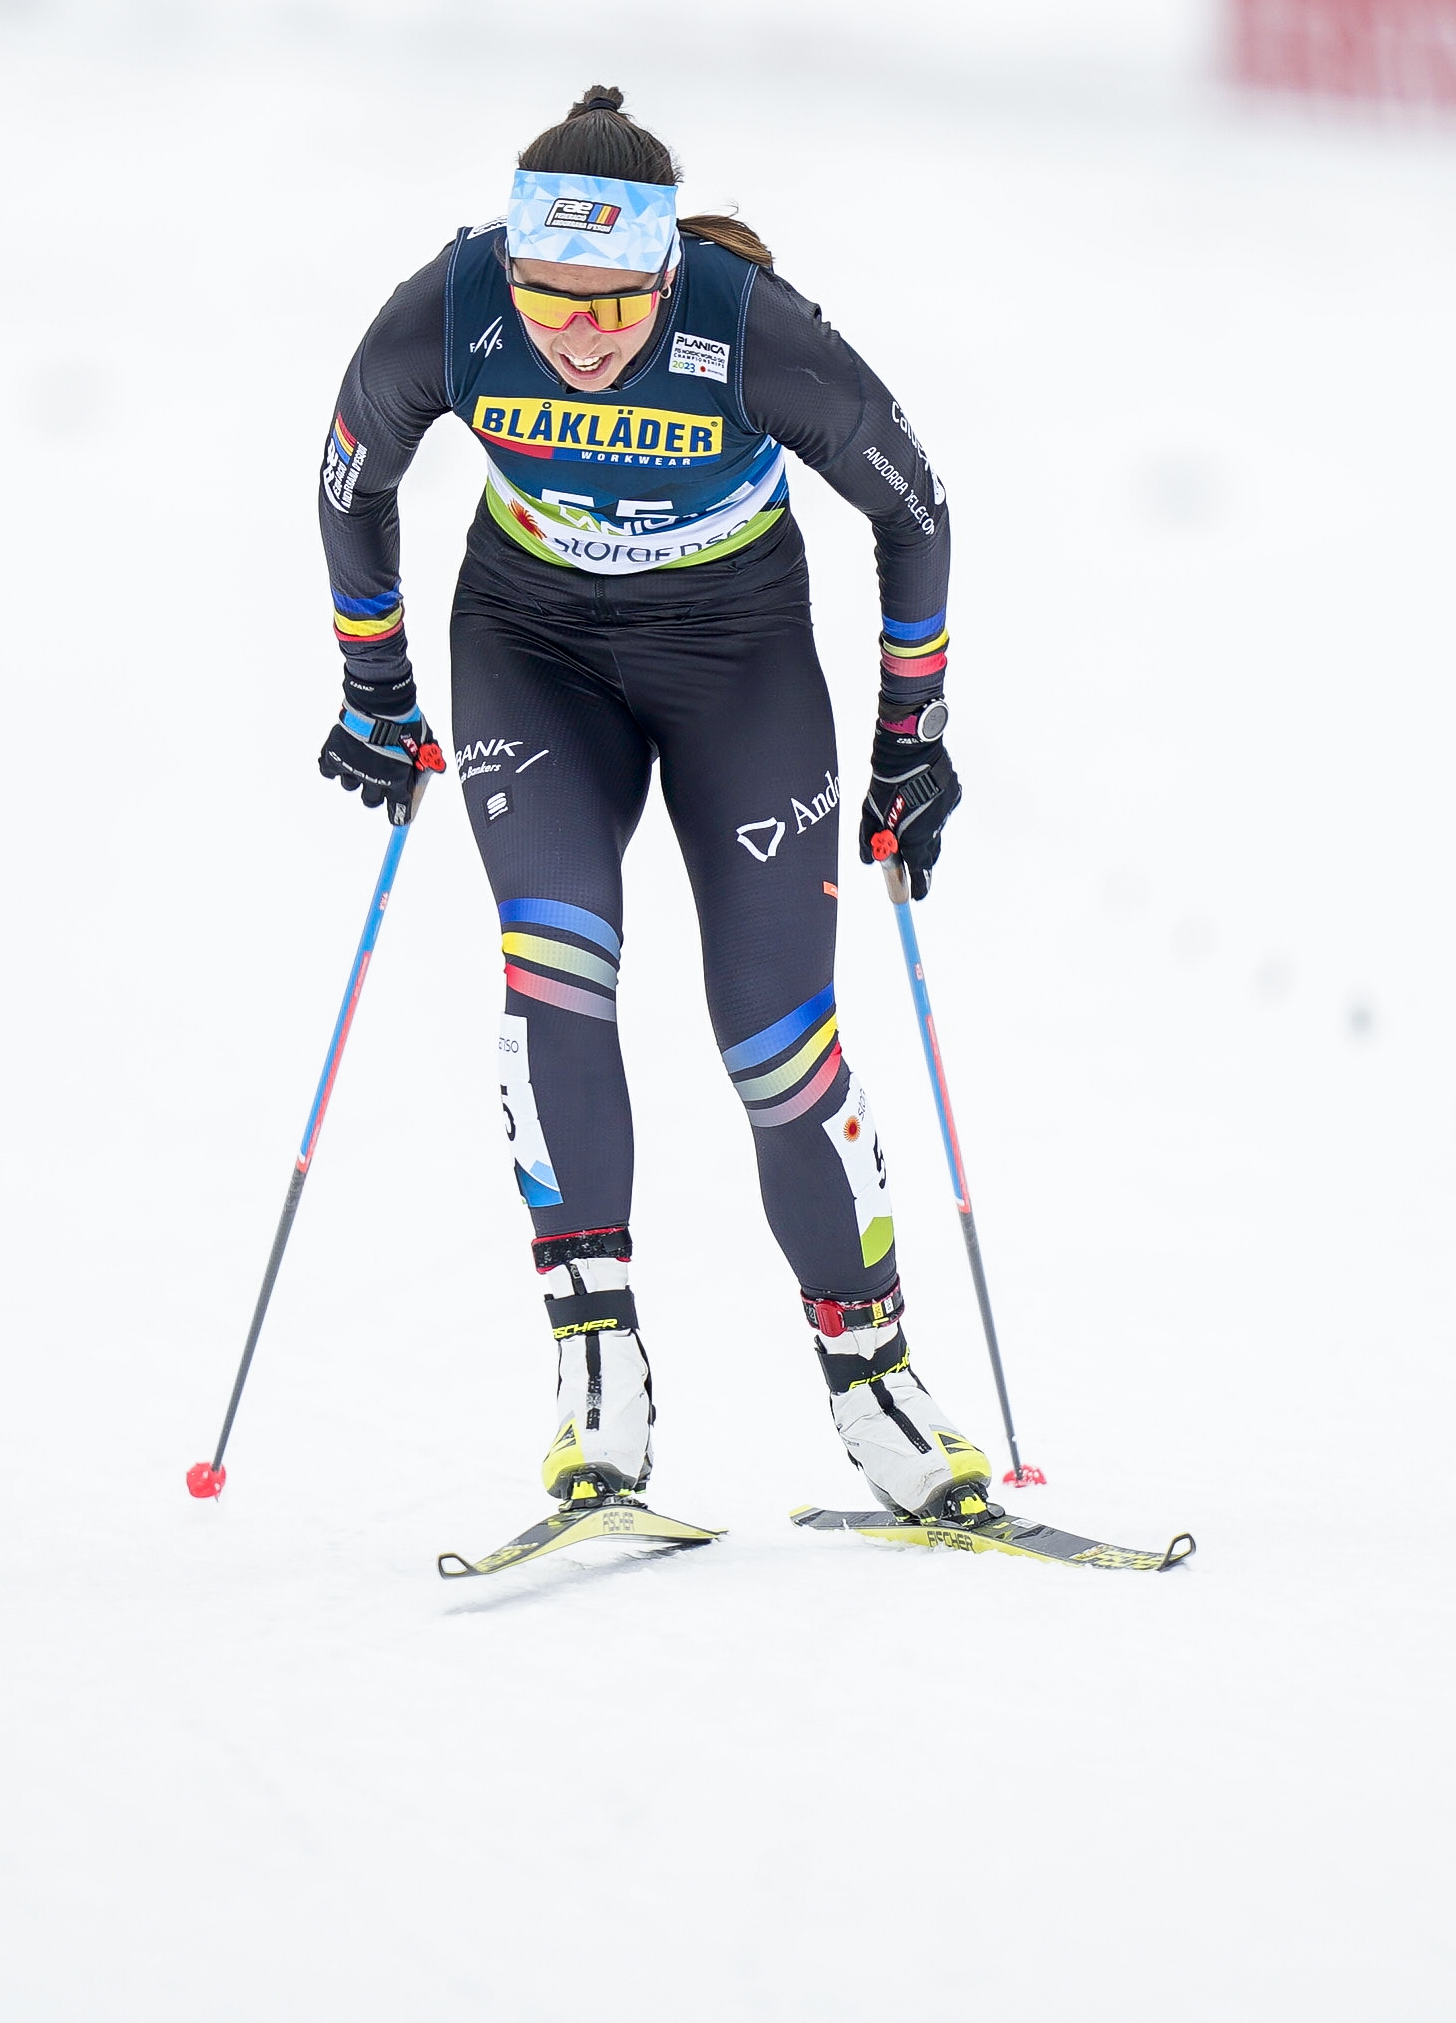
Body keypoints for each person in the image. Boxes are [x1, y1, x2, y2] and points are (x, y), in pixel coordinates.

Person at [311, 87, 981, 1519]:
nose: (581, 335)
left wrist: (909, 734)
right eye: (552, 299)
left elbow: (913, 506)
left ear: (666, 271)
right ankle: (595, 1372)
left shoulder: (745, 326)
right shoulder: (451, 304)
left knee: (774, 1039)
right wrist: (376, 685)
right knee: (555, 972)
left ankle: (877, 1384)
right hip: (533, 652)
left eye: (614, 305)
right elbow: (349, 479)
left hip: (737, 664)